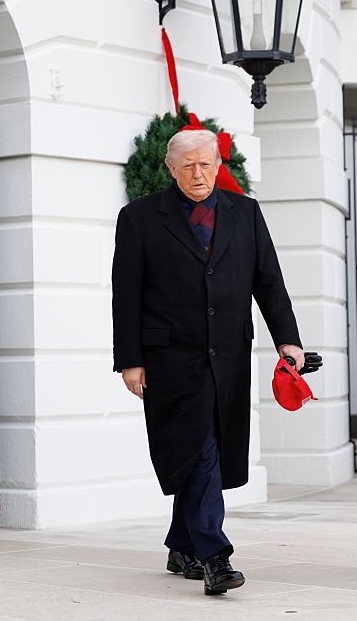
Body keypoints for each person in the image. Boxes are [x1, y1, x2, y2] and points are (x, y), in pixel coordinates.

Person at [111, 129, 305, 595]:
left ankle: (182, 543)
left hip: (231, 354)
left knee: (208, 448)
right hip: (169, 358)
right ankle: (214, 556)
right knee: (198, 451)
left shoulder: (246, 213)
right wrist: (129, 360)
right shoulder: (138, 218)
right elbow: (127, 293)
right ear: (170, 168)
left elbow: (269, 282)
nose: (199, 174)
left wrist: (289, 342)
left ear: (219, 165)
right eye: (188, 166)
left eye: (206, 164)